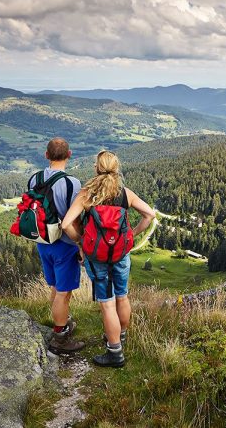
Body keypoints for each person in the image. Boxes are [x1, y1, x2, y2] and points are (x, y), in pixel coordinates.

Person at [62, 150, 155, 368]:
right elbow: (149, 215)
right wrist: (130, 236)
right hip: (121, 254)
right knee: (122, 297)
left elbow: (66, 224)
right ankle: (120, 337)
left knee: (107, 304)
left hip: (97, 256)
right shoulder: (124, 193)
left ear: (96, 168)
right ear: (116, 168)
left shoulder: (87, 194)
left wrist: (82, 241)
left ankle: (115, 354)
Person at [31, 137, 85, 354]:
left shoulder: (34, 178)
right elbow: (73, 219)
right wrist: (80, 242)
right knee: (64, 292)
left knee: (55, 287)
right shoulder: (72, 183)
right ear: (69, 155)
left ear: (46, 155)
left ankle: (60, 323)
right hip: (65, 244)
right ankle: (60, 338)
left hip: (42, 241)